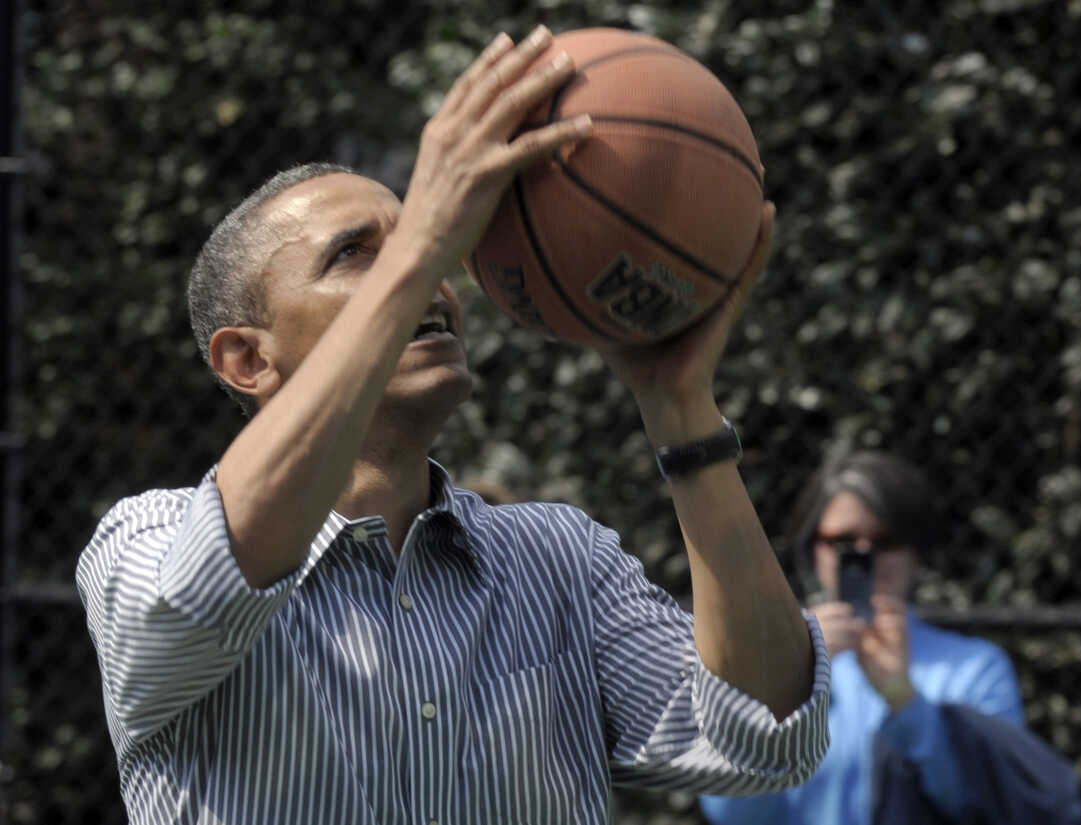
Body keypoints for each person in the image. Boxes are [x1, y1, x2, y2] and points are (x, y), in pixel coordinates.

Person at [75, 26, 830, 825]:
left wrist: (683, 414)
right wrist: (428, 235)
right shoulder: (142, 541)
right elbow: (215, 578)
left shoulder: (559, 561)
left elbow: (764, 738)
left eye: (424, 246)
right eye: (355, 254)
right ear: (248, 360)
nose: (429, 274)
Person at [699, 449, 1034, 825]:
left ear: (915, 551)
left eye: (885, 541)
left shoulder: (977, 668)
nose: (865, 556)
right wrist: (790, 689)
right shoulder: (775, 663)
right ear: (813, 550)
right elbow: (730, 813)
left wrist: (904, 702)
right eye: (843, 542)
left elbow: (992, 805)